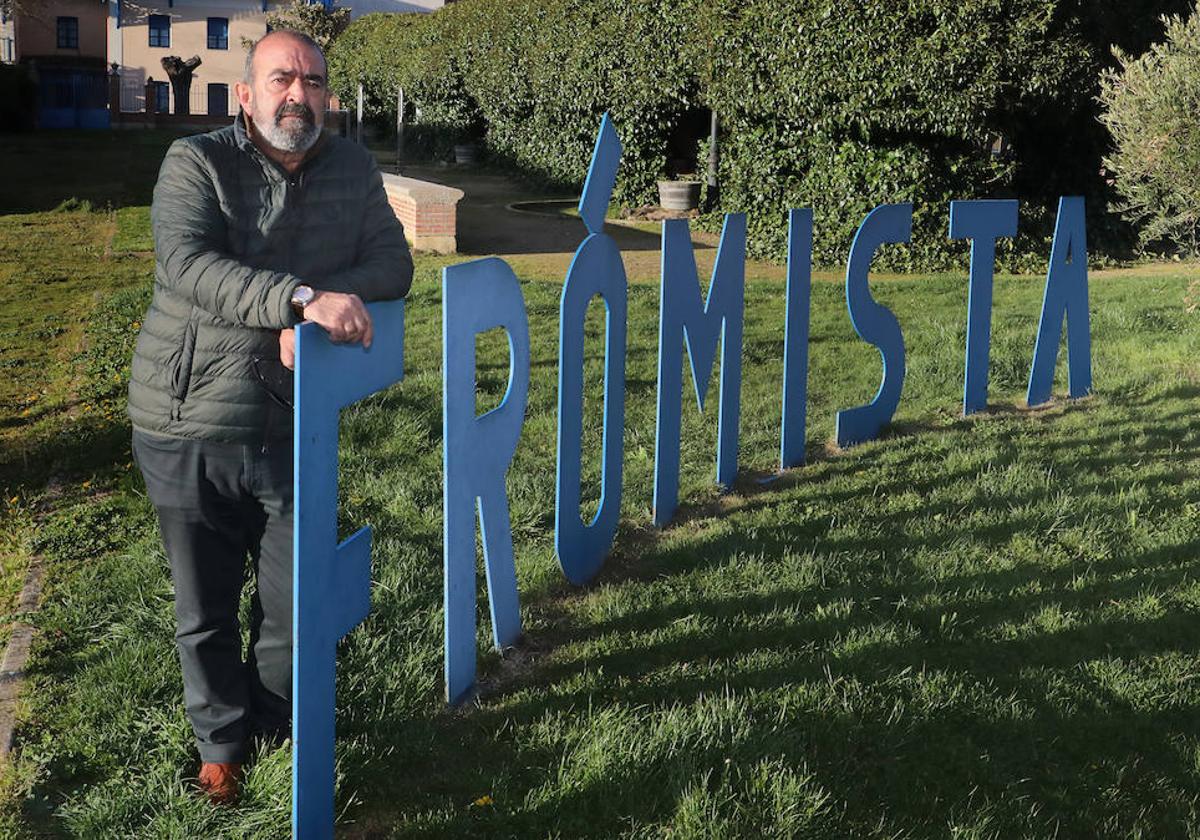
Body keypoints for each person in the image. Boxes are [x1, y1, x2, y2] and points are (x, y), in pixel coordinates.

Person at [127, 29, 413, 804]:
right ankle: (220, 743)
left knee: (294, 598)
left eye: (315, 82)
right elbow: (187, 265)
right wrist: (297, 298)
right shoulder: (196, 162)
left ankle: (280, 729)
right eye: (282, 78)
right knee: (205, 606)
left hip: (295, 419)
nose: (300, 94)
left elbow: (394, 263)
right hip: (188, 416)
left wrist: (313, 321)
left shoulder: (352, 167)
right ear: (246, 95)